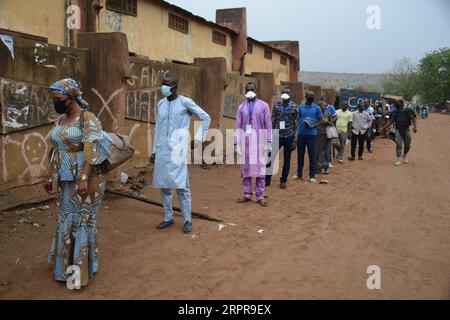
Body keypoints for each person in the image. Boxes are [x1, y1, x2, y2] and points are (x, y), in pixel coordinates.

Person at [45, 78, 112, 288]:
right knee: (66, 217)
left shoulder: (88, 118)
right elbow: (55, 149)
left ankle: (79, 273)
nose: (55, 102)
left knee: (81, 220)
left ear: (72, 98)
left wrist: (83, 178)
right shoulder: (61, 119)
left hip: (87, 179)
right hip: (64, 178)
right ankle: (65, 267)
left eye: (59, 99)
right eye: (54, 99)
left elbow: (91, 150)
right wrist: (50, 175)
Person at [152, 74, 211, 234]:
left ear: (175, 87)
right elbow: (157, 128)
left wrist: (198, 139)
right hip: (162, 149)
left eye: (167, 84)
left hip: (178, 150)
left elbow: (206, 117)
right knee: (164, 186)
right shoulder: (161, 104)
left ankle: (187, 220)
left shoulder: (185, 102)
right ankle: (168, 217)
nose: (164, 87)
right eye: (163, 83)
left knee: (182, 187)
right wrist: (154, 151)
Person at [235, 82, 272, 206]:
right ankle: (247, 194)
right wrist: (236, 143)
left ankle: (260, 196)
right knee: (246, 169)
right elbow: (238, 125)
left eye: (252, 89)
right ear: (245, 91)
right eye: (248, 89)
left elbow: (268, 124)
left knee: (260, 170)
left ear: (256, 90)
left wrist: (269, 141)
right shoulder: (241, 107)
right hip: (245, 142)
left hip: (259, 142)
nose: (250, 91)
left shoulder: (264, 105)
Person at [265, 87, 298, 189]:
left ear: (290, 95)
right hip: (277, 135)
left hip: (289, 135)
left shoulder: (294, 107)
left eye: (287, 93)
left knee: (287, 159)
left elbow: (296, 124)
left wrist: (295, 140)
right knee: (271, 157)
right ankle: (267, 179)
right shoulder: (277, 106)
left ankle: (283, 180)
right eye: (283, 93)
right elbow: (272, 120)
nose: (285, 95)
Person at [293, 91, 325, 183]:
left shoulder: (317, 108)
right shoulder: (301, 107)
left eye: (313, 96)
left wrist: (313, 125)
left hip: (312, 135)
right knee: (300, 155)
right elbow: (297, 120)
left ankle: (312, 175)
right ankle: (299, 173)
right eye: (310, 96)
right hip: (301, 134)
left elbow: (321, 120)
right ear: (306, 97)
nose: (311, 97)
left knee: (312, 155)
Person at [382, 99, 417, 166]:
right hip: (398, 129)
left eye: (398, 102)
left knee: (407, 145)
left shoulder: (408, 110)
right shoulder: (395, 112)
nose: (396, 104)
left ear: (402, 103)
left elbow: (413, 118)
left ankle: (404, 155)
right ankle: (398, 159)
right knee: (399, 144)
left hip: (406, 129)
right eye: (395, 102)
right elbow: (391, 121)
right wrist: (383, 127)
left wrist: (415, 127)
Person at [316, 101, 333, 174]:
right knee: (319, 151)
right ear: (319, 106)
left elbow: (330, 122)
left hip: (327, 135)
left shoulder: (328, 113)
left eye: (326, 105)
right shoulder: (316, 114)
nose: (325, 107)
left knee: (327, 151)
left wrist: (329, 123)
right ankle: (319, 168)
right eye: (323, 105)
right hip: (319, 135)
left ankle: (326, 168)